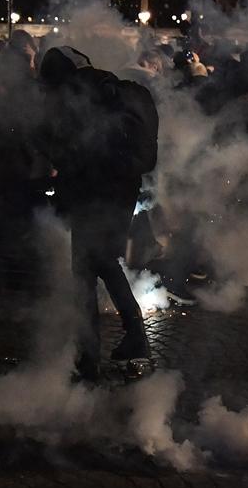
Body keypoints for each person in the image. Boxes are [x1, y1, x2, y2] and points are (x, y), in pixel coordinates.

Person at [37, 46, 158, 379]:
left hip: (94, 191)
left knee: (85, 272)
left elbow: (71, 152)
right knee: (101, 263)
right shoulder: (109, 87)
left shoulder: (76, 94)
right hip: (120, 189)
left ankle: (92, 356)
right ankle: (127, 341)